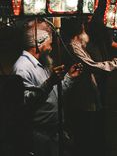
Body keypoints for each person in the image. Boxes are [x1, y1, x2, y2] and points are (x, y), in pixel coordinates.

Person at [61, 17, 117, 156]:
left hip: (91, 96)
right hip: (82, 102)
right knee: (84, 140)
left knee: (93, 135)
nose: (86, 29)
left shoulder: (81, 44)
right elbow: (95, 67)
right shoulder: (73, 47)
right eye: (83, 27)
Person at [12, 23, 83, 156]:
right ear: (39, 44)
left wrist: (70, 77)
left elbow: (55, 94)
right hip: (38, 136)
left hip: (54, 133)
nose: (51, 48)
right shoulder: (22, 67)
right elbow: (25, 102)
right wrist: (50, 82)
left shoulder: (43, 63)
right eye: (49, 44)